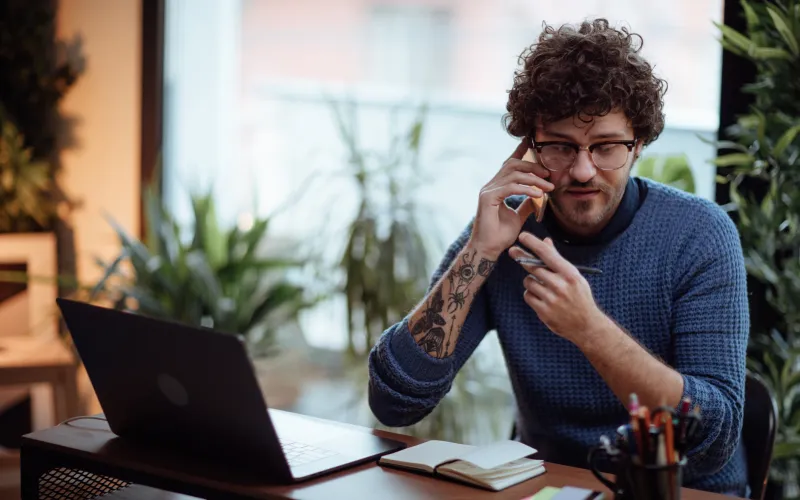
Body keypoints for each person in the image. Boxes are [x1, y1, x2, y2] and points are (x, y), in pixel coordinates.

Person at [367, 18, 749, 496]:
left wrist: (589, 329)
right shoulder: (504, 234)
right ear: (529, 147)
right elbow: (393, 402)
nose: (583, 170)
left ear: (640, 144)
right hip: (549, 490)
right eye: (561, 148)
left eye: (607, 146)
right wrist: (480, 251)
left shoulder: (699, 235)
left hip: (682, 491)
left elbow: (714, 436)